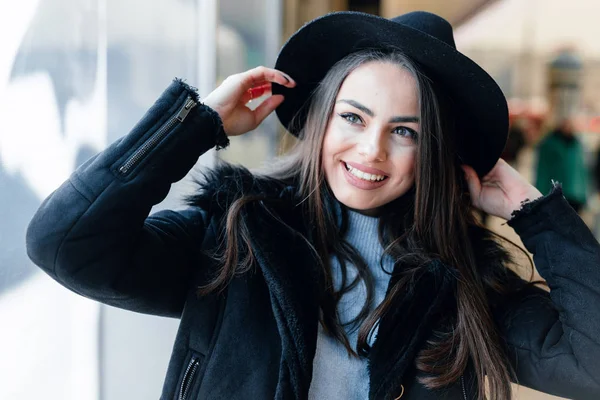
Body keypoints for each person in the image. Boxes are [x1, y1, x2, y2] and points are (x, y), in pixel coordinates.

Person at [25, 11, 600, 400]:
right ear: (322, 120)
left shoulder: (465, 282)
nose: (371, 150)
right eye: (353, 117)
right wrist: (193, 125)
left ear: (435, 154)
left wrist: (532, 211)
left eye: (408, 132)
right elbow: (66, 245)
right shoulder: (239, 236)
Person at [535, 118, 588, 212]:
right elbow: (542, 170)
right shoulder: (549, 145)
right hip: (555, 193)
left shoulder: (576, 145)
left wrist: (583, 195)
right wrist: (540, 193)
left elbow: (582, 172)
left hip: (575, 194)